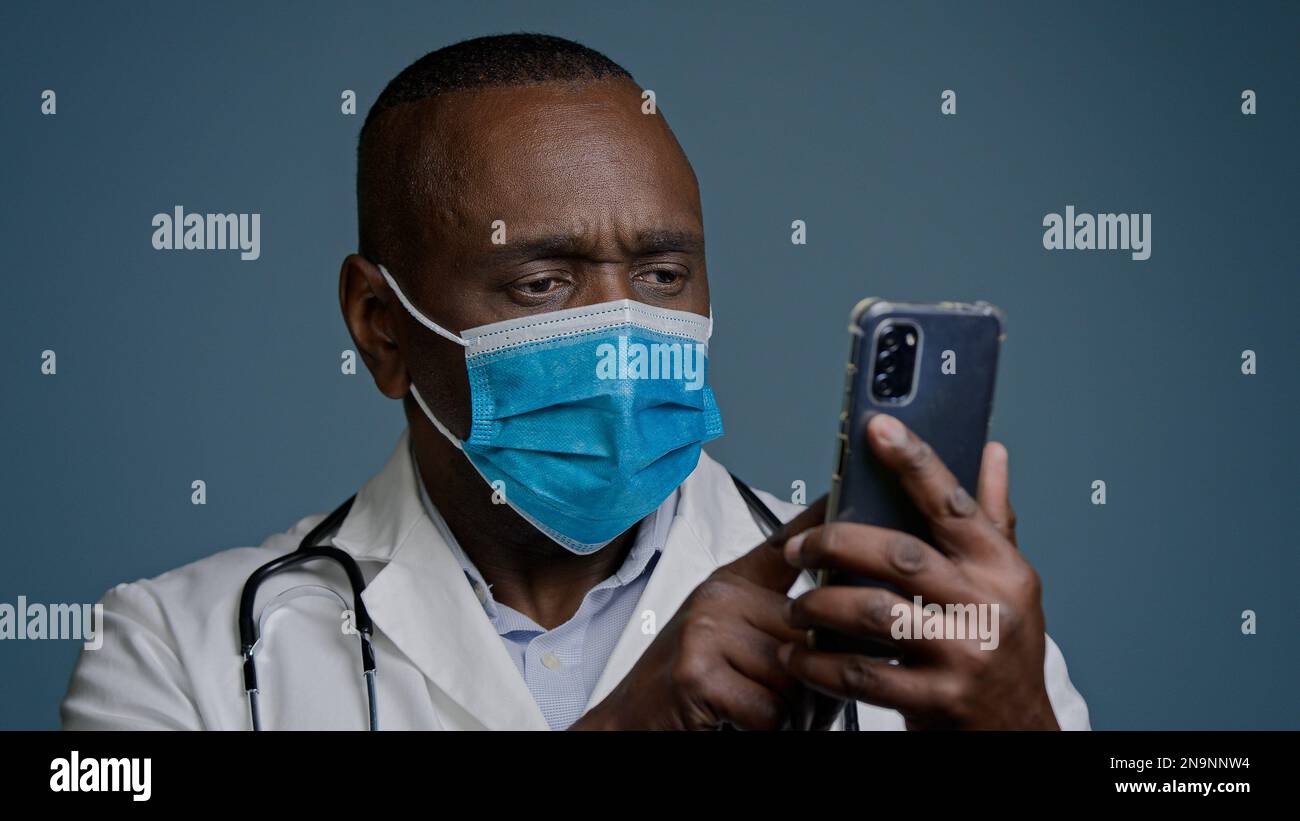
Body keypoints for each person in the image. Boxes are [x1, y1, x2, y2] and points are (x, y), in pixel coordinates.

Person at [61, 33, 1089, 731]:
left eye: (660, 275)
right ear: (382, 328)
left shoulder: (927, 617)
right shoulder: (177, 651)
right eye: (543, 280)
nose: (624, 331)